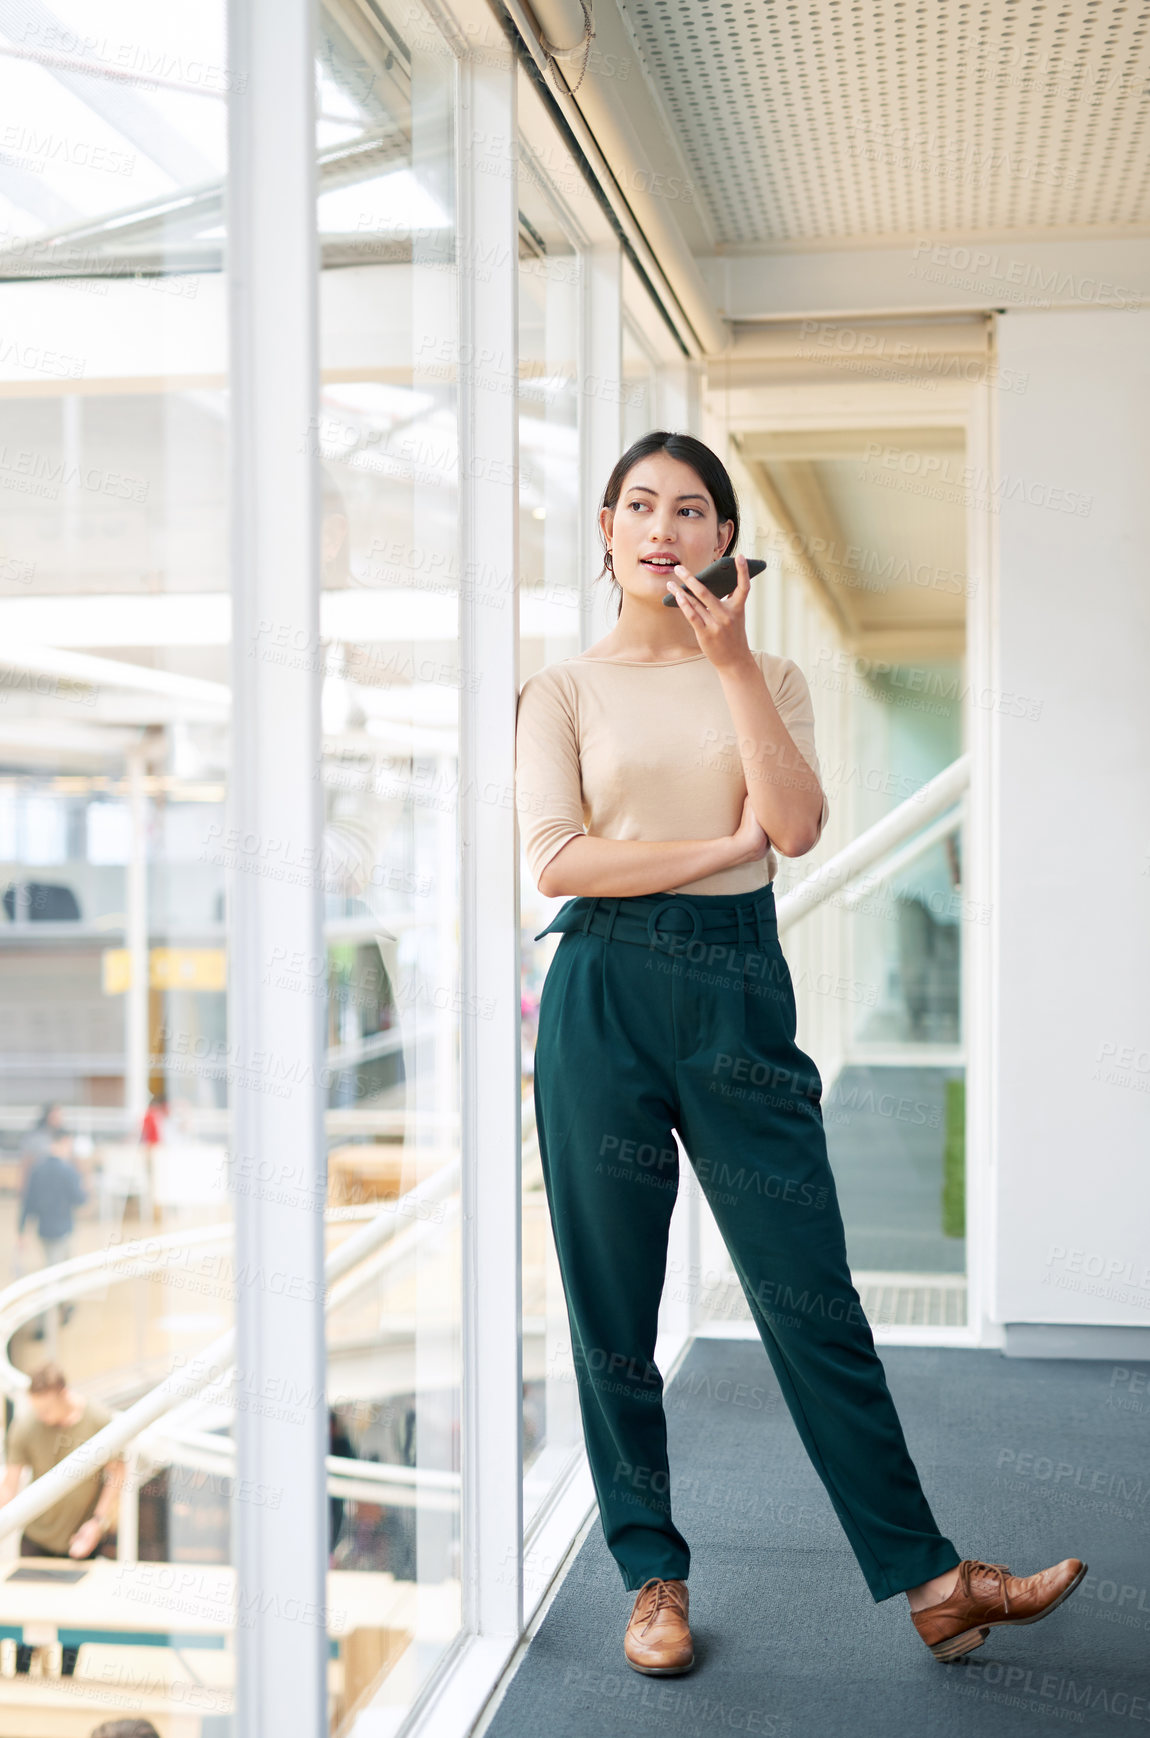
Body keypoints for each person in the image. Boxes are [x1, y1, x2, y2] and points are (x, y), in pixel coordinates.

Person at [513, 430, 1085, 1676]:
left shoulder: (766, 672)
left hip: (735, 990)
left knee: (808, 1294)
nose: (664, 527)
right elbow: (557, 860)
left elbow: (795, 823)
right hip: (600, 989)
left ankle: (933, 1579)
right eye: (641, 505)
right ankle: (650, 1577)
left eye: (693, 510)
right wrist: (709, 856)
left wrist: (728, 669)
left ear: (725, 541)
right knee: (610, 1308)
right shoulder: (559, 690)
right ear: (607, 530)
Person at [1, 1362, 124, 1676]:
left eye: (47, 1410)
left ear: (64, 1394)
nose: (42, 1417)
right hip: (37, 1537)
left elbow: (117, 1473)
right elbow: (9, 1487)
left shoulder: (97, 1419)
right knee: (26, 1622)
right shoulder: (27, 1425)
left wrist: (97, 1522)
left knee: (73, 1624)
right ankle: (22, 1681)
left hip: (81, 1537)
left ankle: (67, 1682)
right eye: (37, 1410)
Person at [19, 1127, 87, 1337]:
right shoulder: (68, 1171)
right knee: (52, 1278)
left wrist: (21, 1231)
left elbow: (27, 1201)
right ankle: (43, 1326)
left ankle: (63, 1308)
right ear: (63, 1143)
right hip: (62, 1230)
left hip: (45, 1230)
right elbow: (80, 1199)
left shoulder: (38, 1169)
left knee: (59, 1273)